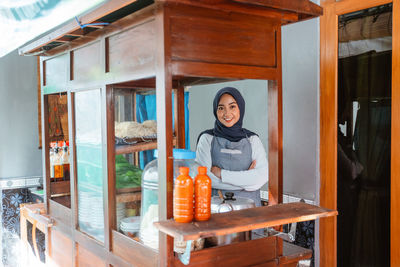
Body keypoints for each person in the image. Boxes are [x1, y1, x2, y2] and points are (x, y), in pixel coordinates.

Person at [195, 87, 268, 208]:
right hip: (215, 210)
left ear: (241, 108)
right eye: (221, 108)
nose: (227, 113)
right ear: (215, 110)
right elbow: (205, 179)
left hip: (250, 214)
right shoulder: (207, 138)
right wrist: (247, 180)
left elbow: (261, 177)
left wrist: (221, 174)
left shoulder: (253, 140)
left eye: (232, 106)